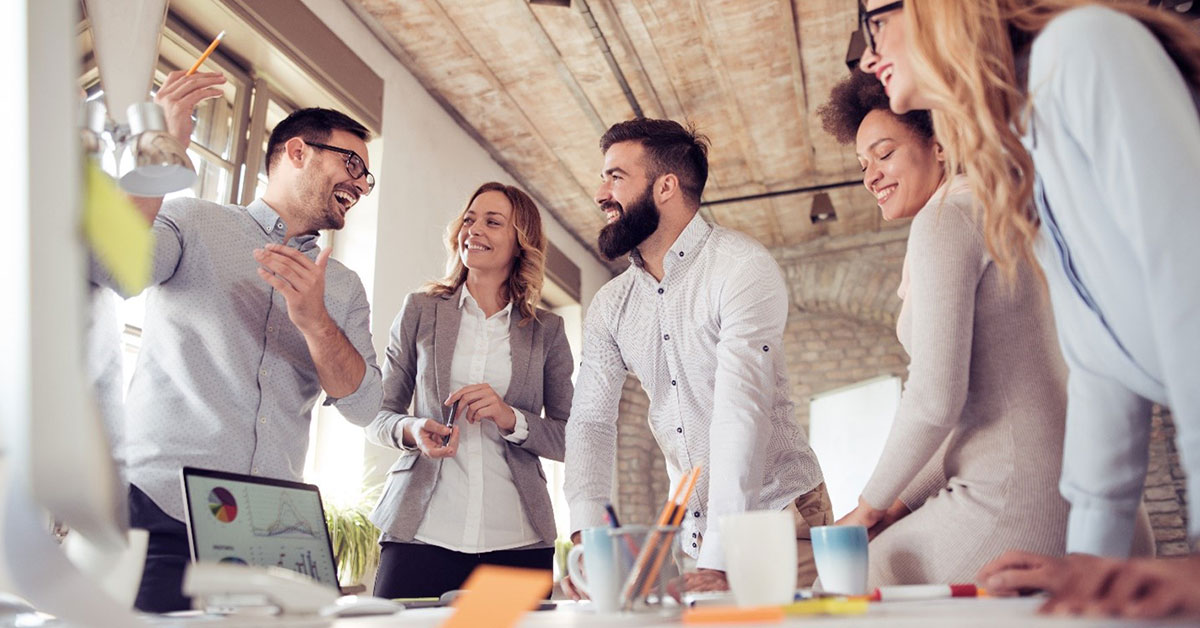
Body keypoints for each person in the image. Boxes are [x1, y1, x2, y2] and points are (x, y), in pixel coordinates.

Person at [856, 0, 1200, 617]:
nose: (870, 51)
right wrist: (1091, 556)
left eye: (876, 20)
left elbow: (1193, 305)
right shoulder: (1018, 159)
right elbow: (1096, 364)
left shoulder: (1082, 52)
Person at [88, 70, 384, 612]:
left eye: (368, 177)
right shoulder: (191, 219)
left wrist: (315, 320)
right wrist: (161, 151)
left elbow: (365, 406)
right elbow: (112, 267)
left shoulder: (341, 286)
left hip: (276, 531)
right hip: (165, 510)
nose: (362, 184)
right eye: (353, 164)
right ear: (298, 151)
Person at [818, 69, 1078, 586]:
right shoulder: (998, 211)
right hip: (1071, 487)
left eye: (885, 153)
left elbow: (936, 400)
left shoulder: (944, 220)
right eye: (863, 163)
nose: (870, 176)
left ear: (940, 145)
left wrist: (867, 509)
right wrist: (898, 503)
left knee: (847, 578)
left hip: (1018, 498)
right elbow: (973, 407)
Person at [563, 118, 829, 594]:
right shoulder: (611, 305)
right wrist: (588, 533)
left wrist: (722, 557)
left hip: (780, 517)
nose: (601, 192)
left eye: (616, 177)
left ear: (665, 187)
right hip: (696, 530)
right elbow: (590, 421)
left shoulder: (741, 268)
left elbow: (740, 413)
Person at [365, 182, 574, 598]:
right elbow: (377, 413)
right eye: (469, 219)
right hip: (420, 534)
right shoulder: (420, 310)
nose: (473, 229)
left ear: (520, 243)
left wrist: (509, 417)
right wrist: (413, 429)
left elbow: (571, 437)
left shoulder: (546, 331)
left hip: (516, 538)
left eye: (492, 222)